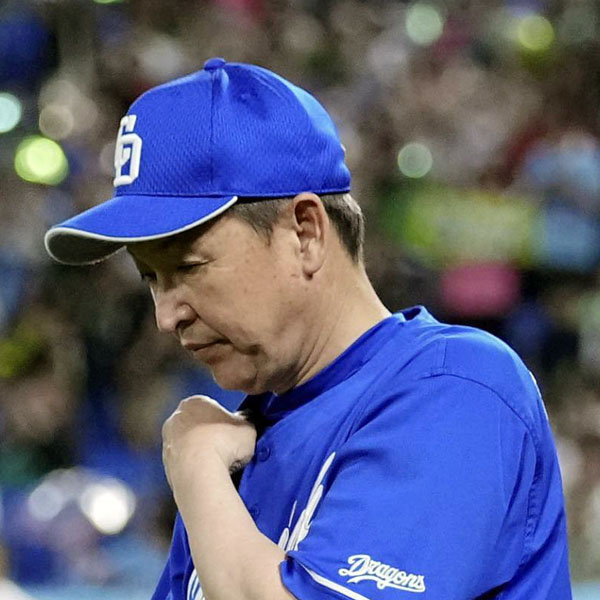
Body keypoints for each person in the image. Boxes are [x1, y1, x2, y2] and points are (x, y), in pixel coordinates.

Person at [44, 58, 572, 599]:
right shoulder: (233, 442)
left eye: (189, 267)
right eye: (152, 278)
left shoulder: (458, 389)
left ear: (305, 233)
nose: (166, 315)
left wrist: (198, 471)